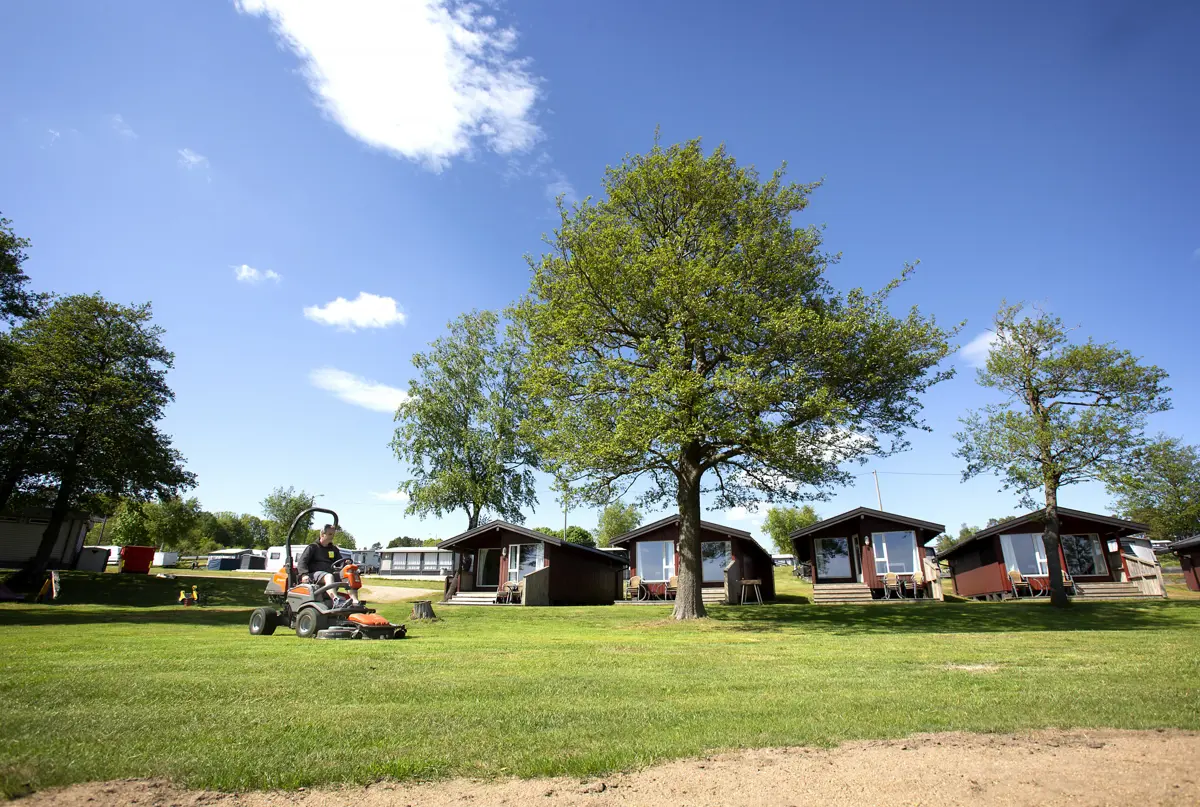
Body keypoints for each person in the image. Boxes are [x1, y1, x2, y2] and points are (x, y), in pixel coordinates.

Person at [297, 524, 356, 606]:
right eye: (330, 534)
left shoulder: (333, 549)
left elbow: (340, 562)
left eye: (333, 534)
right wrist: (304, 575)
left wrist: (346, 564)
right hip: (314, 575)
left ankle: (354, 600)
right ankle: (336, 600)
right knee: (329, 576)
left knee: (349, 575)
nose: (332, 537)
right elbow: (302, 562)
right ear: (322, 534)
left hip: (328, 572)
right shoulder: (312, 547)